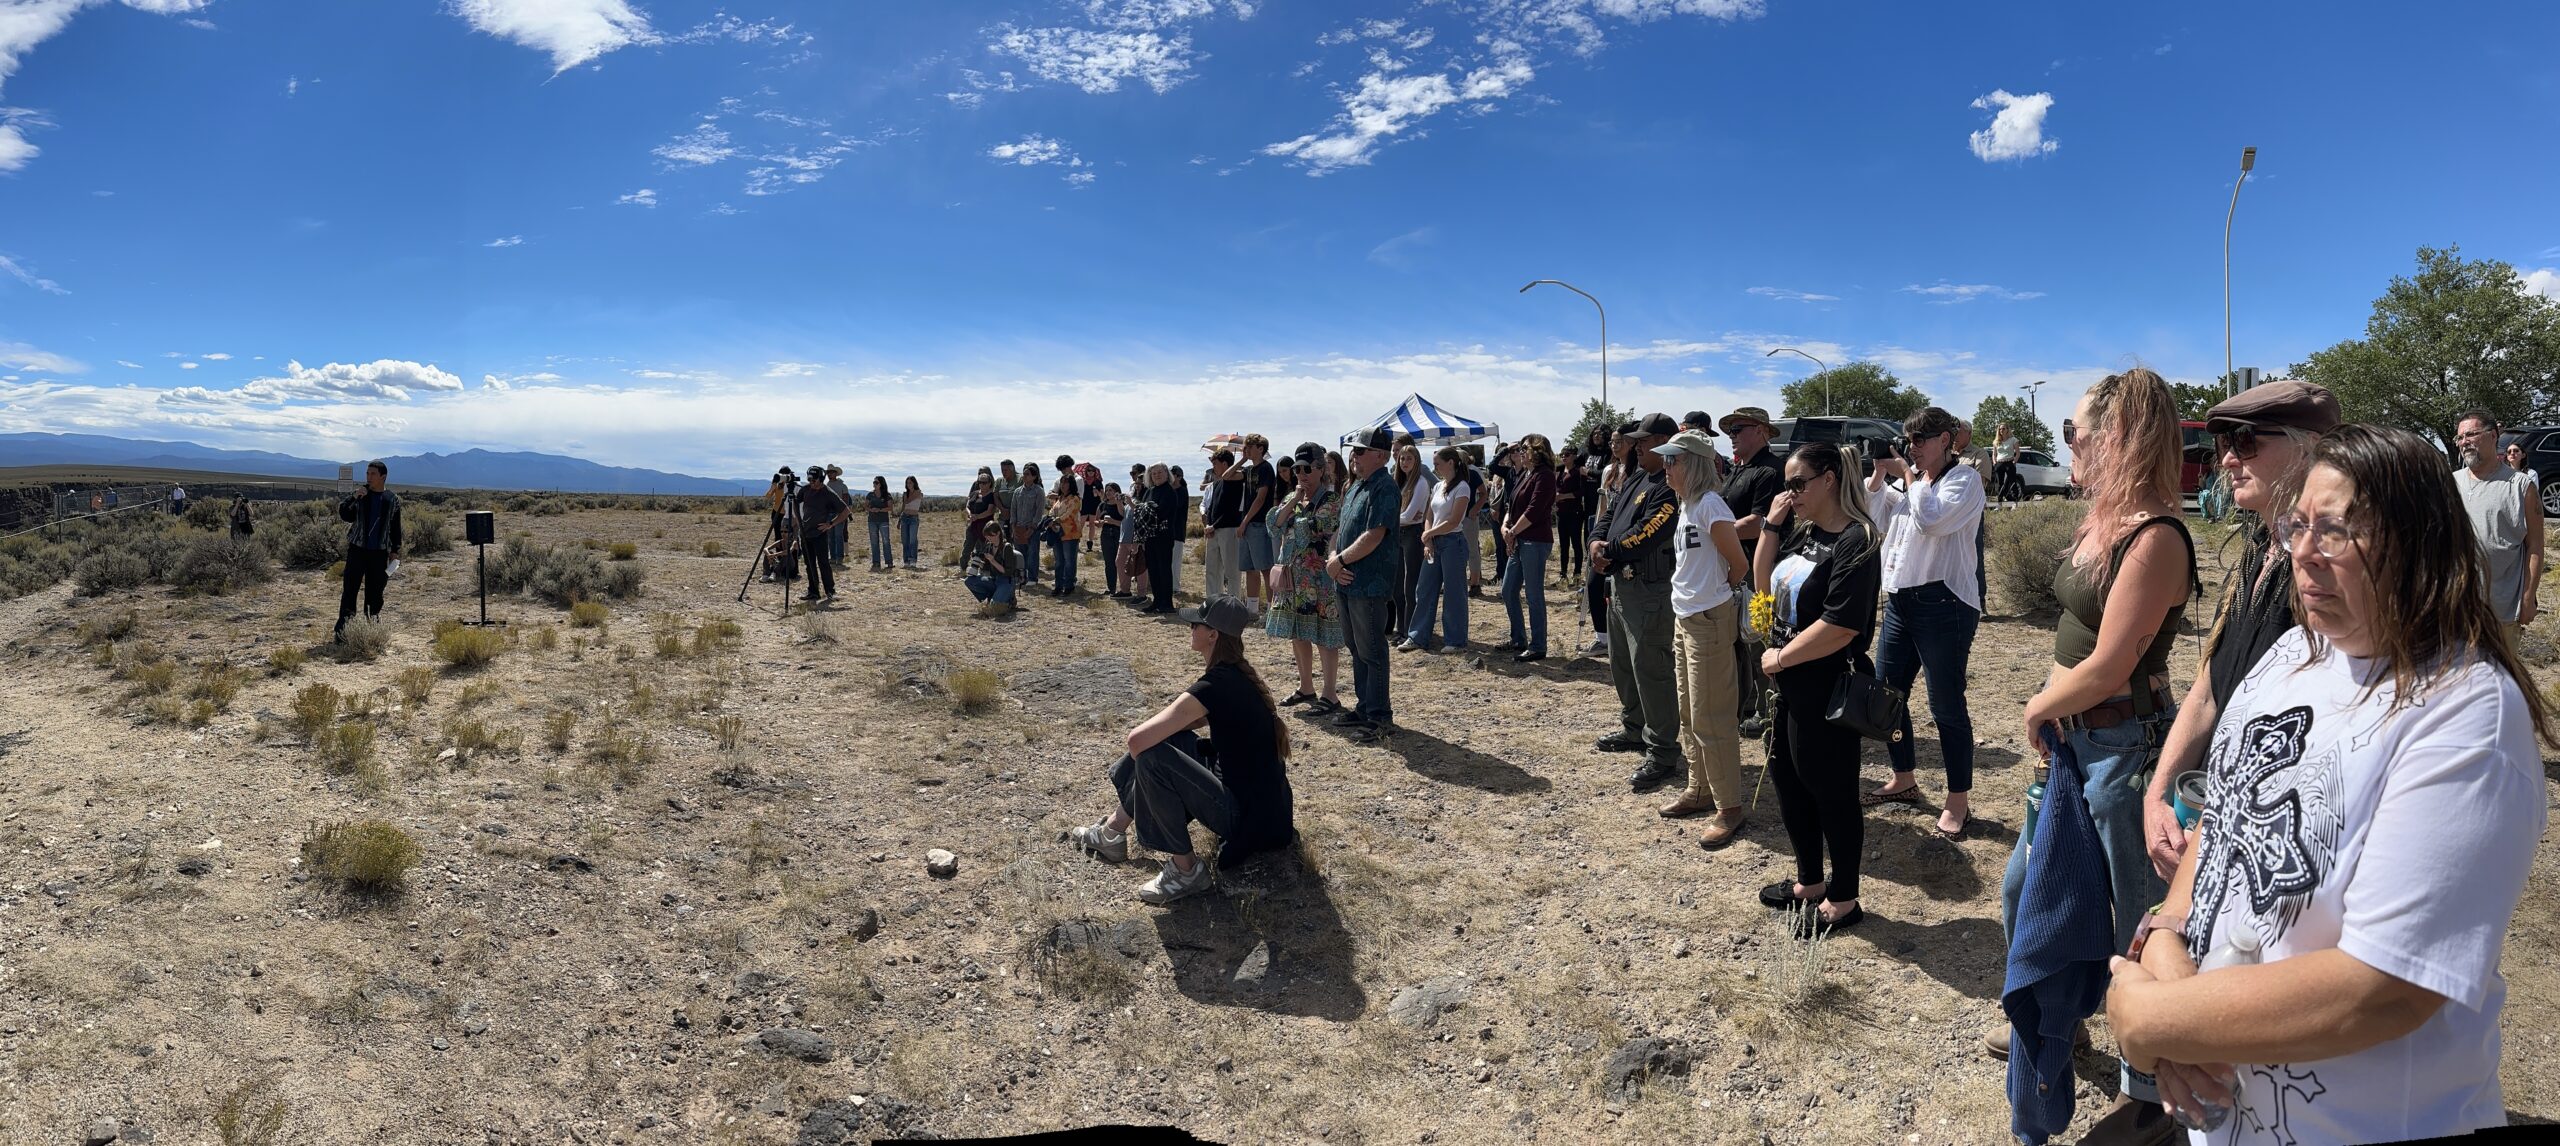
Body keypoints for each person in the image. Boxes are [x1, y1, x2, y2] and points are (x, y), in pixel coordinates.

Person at [2103, 423, 2553, 1146]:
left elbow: (2385, 990)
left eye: (2337, 530)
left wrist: (2154, 1018)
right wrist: (2166, 942)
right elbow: (2224, 819)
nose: (2304, 552)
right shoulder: (2293, 653)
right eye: (2298, 526)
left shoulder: (2466, 714)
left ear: (2417, 543)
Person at [1994, 368, 2198, 1141]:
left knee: (2134, 929)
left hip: (2121, 751)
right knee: (2027, 892)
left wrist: (2037, 707)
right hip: (2073, 746)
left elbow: (2112, 665)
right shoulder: (2106, 520)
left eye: (2073, 432)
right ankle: (2061, 1021)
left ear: (2117, 435)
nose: (2066, 446)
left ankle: (2146, 1096)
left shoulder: (2157, 537)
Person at [2141, 382, 2341, 880]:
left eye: (2246, 441)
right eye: (2223, 444)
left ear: (2310, 448)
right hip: (2217, 809)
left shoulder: (2333, 575)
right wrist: (2157, 795)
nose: (2227, 460)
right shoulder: (2257, 549)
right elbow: (2209, 688)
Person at [1068, 596, 1296, 904]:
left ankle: (1186, 870)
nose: (1190, 628)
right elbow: (1184, 725)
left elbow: (1136, 741)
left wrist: (1152, 778)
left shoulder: (1216, 685)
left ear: (1213, 635)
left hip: (1246, 820)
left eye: (1195, 624)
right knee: (1170, 742)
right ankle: (1112, 831)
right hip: (1266, 811)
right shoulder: (1237, 675)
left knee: (1152, 757)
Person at [1751, 441, 1881, 935]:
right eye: (1787, 484)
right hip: (1789, 682)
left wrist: (1781, 657)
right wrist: (1771, 527)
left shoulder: (1857, 539)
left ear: (1829, 479)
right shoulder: (1804, 532)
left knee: (1832, 791)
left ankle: (1844, 898)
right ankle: (1810, 881)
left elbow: (1842, 625)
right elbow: (1764, 586)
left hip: (1826, 684)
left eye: (1798, 483)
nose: (1791, 492)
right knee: (1789, 782)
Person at [1862, 407, 1989, 839]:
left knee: (1945, 706)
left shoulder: (1964, 480)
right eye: (1908, 440)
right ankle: (1903, 777)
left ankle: (1958, 801)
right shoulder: (1912, 483)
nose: (1912, 447)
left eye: (1920, 439)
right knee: (1887, 694)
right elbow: (1874, 519)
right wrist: (1880, 476)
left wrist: (1907, 476)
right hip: (1901, 601)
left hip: (1944, 603)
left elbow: (1932, 521)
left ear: (1945, 440)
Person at [1653, 430, 1753, 847]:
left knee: (1712, 716)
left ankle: (1729, 806)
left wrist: (1717, 596)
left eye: (1672, 460)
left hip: (1708, 619)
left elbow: (1738, 564)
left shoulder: (1710, 504)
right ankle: (1700, 789)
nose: (1665, 468)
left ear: (1692, 464)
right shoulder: (1688, 505)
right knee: (1689, 712)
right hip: (1687, 618)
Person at [1594, 413, 1685, 792]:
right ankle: (1634, 728)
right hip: (1621, 586)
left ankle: (1662, 750)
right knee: (1623, 665)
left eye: (1644, 441)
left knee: (1651, 669)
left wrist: (1609, 550)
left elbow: (1649, 531)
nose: (1637, 446)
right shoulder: (1635, 477)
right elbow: (1610, 515)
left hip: (1648, 590)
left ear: (1663, 442)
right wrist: (1595, 542)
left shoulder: (1668, 485)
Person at [1329, 427, 1402, 744]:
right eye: (1353, 450)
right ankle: (1365, 708)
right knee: (1356, 648)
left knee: (1372, 650)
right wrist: (1334, 560)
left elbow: (1374, 535)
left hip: (1369, 584)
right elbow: (1340, 530)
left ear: (1381, 456)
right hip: (1347, 582)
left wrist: (1339, 561)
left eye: (1360, 451)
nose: (1354, 456)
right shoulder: (1356, 487)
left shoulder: (1385, 488)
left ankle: (1379, 717)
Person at [1719, 407, 1787, 740]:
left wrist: (1714, 533)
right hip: (1735, 564)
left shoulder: (1771, 470)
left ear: (1761, 430)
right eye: (1729, 430)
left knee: (1760, 639)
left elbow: (1758, 523)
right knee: (1740, 641)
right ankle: (1748, 704)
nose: (1731, 435)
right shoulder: (1738, 470)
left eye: (1738, 428)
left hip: (1759, 568)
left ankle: (1766, 709)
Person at [1267, 442, 1346, 713]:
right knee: (1297, 632)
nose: (1301, 474)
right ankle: (1306, 686)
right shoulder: (1294, 497)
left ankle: (1330, 694)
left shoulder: (1331, 500)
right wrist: (1293, 503)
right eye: (1297, 469)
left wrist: (1292, 516)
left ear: (1321, 470)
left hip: (1319, 580)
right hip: (1293, 578)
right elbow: (1273, 525)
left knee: (1324, 635)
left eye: (1307, 469)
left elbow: (1312, 529)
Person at [2452, 411, 2542, 629]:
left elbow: (2535, 546)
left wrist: (2528, 597)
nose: (2464, 442)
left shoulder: (2522, 486)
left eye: (2471, 434)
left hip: (2502, 611)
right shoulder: (2451, 482)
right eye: (2460, 437)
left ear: (2493, 435)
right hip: (2457, 609)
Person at [1400, 446, 1476, 654]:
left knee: (1454, 593)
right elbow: (1429, 515)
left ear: (1450, 463)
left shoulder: (1462, 487)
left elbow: (1454, 520)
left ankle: (1456, 640)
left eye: (1437, 464)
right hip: (1435, 542)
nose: (1434, 468)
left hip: (1453, 543)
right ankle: (1417, 636)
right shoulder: (1438, 486)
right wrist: (1429, 538)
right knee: (1424, 589)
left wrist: (1429, 534)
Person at [1498, 434, 1557, 661]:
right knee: (1508, 589)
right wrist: (1506, 527)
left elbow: (1534, 510)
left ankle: (1538, 646)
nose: (1520, 452)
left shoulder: (1545, 475)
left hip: (1535, 541)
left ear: (1537, 451)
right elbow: (1511, 505)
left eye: (1524, 448)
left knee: (1533, 594)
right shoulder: (1525, 474)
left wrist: (1512, 532)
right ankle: (1518, 638)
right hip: (1519, 539)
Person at [334, 460, 404, 641]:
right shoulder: (361, 494)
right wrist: (353, 497)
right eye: (367, 473)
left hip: (379, 553)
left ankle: (372, 627)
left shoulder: (392, 499)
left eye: (373, 474)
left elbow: (395, 528)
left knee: (375, 591)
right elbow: (345, 515)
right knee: (350, 590)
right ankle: (343, 631)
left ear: (383, 477)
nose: (369, 477)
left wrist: (395, 550)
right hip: (357, 550)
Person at [796, 464, 851, 602]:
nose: (811, 483)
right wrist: (798, 520)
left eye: (814, 480)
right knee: (809, 564)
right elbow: (795, 503)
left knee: (823, 563)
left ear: (821, 479)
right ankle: (813, 591)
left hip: (819, 534)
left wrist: (830, 524)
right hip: (805, 533)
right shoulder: (805, 490)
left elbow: (845, 511)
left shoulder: (828, 493)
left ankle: (830, 591)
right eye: (809, 480)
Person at [1393, 442, 1430, 638]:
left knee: (1410, 585)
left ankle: (1411, 630)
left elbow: (1409, 516)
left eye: (1409, 458)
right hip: (1399, 534)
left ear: (1416, 461)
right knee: (1397, 586)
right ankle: (1402, 628)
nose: (1404, 462)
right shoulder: (1400, 482)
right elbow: (1405, 515)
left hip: (1413, 535)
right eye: (1402, 458)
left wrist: (1391, 519)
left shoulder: (1421, 482)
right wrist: (1399, 518)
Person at [1239, 434, 1278, 612]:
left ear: (1260, 449)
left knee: (1265, 568)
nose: (1246, 450)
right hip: (1248, 524)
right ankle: (1252, 609)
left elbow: (1260, 498)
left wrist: (1245, 521)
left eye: (1250, 447)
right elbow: (1226, 476)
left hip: (1259, 524)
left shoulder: (1265, 468)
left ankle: (1271, 610)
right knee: (1249, 568)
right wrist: (1242, 460)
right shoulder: (1248, 470)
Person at [1202, 449, 1245, 601]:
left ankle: (1233, 603)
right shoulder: (1217, 483)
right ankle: (1213, 601)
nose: (1213, 467)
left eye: (1215, 463)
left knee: (1232, 571)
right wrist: (1209, 525)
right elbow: (1212, 507)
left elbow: (1231, 509)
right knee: (1212, 569)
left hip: (1229, 529)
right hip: (1213, 530)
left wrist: (1214, 525)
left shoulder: (1237, 480)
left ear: (1225, 464)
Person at [1144, 463, 1184, 614]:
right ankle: (1157, 601)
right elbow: (1144, 509)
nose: (1157, 475)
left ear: (1167, 474)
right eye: (1154, 473)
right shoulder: (1150, 491)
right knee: (1153, 569)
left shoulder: (1169, 491)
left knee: (1164, 569)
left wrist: (1145, 509)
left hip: (1164, 536)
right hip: (1150, 536)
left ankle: (1166, 603)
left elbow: (1161, 512)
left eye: (1160, 472)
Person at [963, 519, 1020, 617]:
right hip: (993, 580)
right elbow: (986, 568)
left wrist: (993, 561)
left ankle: (1009, 600)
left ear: (998, 533)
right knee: (969, 581)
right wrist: (979, 563)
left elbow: (1008, 572)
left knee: (994, 609)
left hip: (1006, 581)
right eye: (987, 536)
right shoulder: (989, 546)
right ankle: (991, 597)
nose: (989, 538)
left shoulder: (1007, 547)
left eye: (991, 535)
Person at [1010, 462, 1048, 586]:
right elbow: (1013, 509)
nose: (1024, 476)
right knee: (1019, 554)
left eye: (1027, 474)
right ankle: (1021, 577)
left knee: (1032, 554)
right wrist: (1013, 526)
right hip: (1018, 527)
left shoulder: (1038, 491)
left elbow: (1039, 511)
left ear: (1034, 476)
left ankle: (1032, 578)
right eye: (1024, 474)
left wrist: (1032, 527)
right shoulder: (1017, 491)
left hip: (1032, 528)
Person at [1555, 448, 1589, 587]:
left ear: (1574, 456)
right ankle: (1563, 574)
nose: (1564, 457)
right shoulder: (1560, 471)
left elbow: (1582, 491)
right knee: (1563, 545)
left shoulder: (1578, 471)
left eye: (1567, 455)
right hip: (1561, 512)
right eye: (1562, 454)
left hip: (1574, 512)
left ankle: (1577, 574)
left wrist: (1564, 496)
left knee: (1576, 543)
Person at [1047, 474, 1082, 596]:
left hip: (1070, 534)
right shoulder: (1059, 499)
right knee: (1059, 561)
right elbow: (1052, 511)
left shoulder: (1075, 499)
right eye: (1062, 482)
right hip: (1057, 532)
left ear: (1071, 484)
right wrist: (1050, 519)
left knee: (1069, 561)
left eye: (1066, 482)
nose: (1063, 485)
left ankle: (1069, 585)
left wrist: (1056, 520)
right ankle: (1058, 585)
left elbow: (1069, 514)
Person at [962, 475, 998, 574]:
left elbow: (990, 511)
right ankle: (963, 567)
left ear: (989, 483)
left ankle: (984, 570)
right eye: (980, 482)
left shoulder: (991, 496)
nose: (982, 485)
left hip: (985, 527)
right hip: (972, 525)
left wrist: (977, 516)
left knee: (984, 548)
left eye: (984, 482)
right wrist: (970, 515)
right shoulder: (974, 493)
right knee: (967, 546)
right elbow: (967, 506)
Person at [1097, 481, 1128, 597]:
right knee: (1109, 562)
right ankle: (1111, 588)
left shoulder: (1122, 504)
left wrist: (1113, 521)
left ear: (1117, 491)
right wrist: (1099, 523)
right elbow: (1096, 520)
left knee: (1120, 562)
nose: (1108, 492)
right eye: (1107, 490)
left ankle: (1124, 588)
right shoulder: (1102, 505)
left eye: (1111, 490)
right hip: (1106, 535)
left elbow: (1125, 521)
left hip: (1119, 534)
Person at [825, 466, 854, 566]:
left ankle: (839, 557)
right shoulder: (827, 485)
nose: (829, 474)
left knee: (838, 535)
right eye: (828, 473)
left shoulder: (842, 486)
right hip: (829, 513)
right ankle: (833, 557)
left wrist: (843, 513)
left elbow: (845, 501)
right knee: (831, 536)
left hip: (839, 513)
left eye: (831, 472)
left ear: (836, 473)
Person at [864, 476, 893, 572]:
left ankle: (889, 561)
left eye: (876, 482)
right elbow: (865, 506)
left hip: (883, 521)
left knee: (886, 541)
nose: (874, 484)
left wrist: (879, 509)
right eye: (874, 482)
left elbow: (890, 508)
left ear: (881, 484)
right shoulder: (870, 495)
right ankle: (876, 562)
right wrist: (871, 509)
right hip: (872, 521)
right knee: (874, 542)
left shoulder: (887, 495)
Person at [1989, 423, 2021, 503]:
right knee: (2000, 484)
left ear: (2007, 430)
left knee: (2012, 482)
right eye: (2000, 429)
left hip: (2009, 462)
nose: (2001, 430)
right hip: (1999, 463)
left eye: (2003, 429)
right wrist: (1994, 462)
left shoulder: (2013, 440)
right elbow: (1994, 454)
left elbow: (2018, 453)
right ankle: (1999, 503)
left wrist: (2014, 461)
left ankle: (2015, 503)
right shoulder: (1996, 441)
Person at [898, 477, 925, 569]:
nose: (908, 484)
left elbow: (908, 501)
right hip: (904, 517)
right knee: (905, 540)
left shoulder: (918, 493)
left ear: (914, 483)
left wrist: (905, 497)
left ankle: (913, 560)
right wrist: (899, 520)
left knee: (912, 540)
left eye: (910, 483)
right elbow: (903, 506)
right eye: (907, 483)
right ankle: (906, 560)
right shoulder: (905, 494)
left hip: (913, 518)